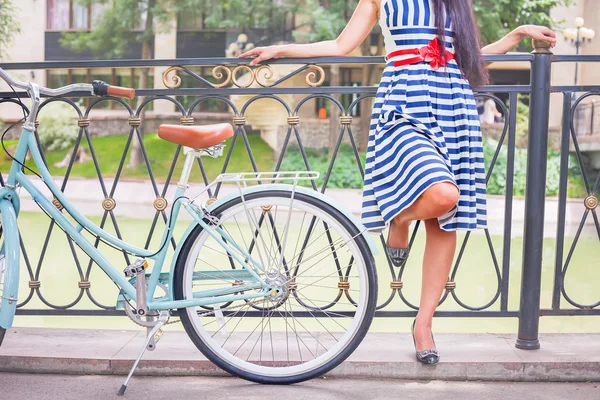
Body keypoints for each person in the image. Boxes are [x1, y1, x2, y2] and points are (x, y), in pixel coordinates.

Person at [239, 0, 556, 365]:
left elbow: (469, 57)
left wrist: (516, 35)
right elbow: (342, 45)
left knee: (444, 218)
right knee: (442, 195)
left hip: (453, 104)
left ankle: (423, 325)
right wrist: (281, 49)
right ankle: (400, 218)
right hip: (404, 103)